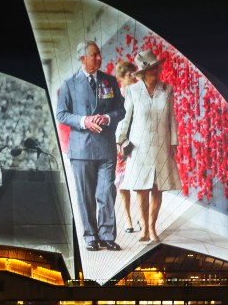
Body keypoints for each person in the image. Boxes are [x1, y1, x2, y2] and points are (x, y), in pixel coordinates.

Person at [55, 40, 126, 252]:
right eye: (94, 55)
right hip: (81, 149)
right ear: (82, 59)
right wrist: (84, 121)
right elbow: (61, 114)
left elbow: (120, 111)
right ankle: (90, 236)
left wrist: (106, 117)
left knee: (106, 193)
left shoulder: (110, 81)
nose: (99, 58)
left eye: (99, 54)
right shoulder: (69, 84)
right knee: (85, 195)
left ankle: (106, 235)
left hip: (106, 148)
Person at [115, 48, 181, 243]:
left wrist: (173, 143)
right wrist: (120, 139)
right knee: (141, 188)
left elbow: (172, 118)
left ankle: (152, 228)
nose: (155, 70)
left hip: (161, 145)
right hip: (139, 147)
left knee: (157, 188)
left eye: (156, 67)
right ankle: (144, 228)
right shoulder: (133, 91)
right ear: (142, 72)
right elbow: (125, 118)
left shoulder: (166, 90)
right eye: (151, 68)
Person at [113, 59, 139, 234]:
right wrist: (119, 141)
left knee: (138, 180)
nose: (135, 77)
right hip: (122, 142)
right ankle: (129, 219)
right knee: (123, 182)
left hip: (137, 141)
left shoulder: (138, 93)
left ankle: (136, 217)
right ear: (125, 76)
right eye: (132, 74)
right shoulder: (118, 96)